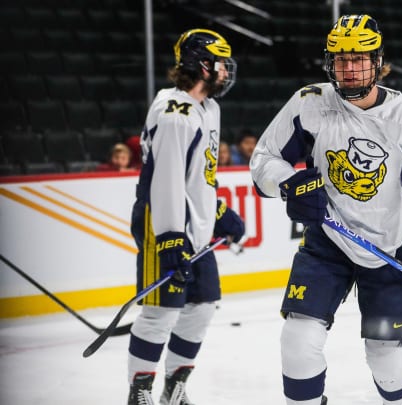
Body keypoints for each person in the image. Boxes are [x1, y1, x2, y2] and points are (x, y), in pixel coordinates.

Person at [250, 14, 402, 405]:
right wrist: (289, 184)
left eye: (358, 58)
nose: (348, 68)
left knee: (385, 357)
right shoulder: (309, 104)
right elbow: (264, 159)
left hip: (389, 250)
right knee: (298, 339)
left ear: (378, 62)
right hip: (327, 243)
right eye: (340, 59)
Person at [127, 29, 246, 405]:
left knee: (202, 305)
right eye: (221, 64)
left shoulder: (209, 108)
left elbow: (198, 176)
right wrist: (169, 237)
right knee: (161, 312)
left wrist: (219, 212)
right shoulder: (173, 112)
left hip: (193, 226)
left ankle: (173, 391)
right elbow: (167, 181)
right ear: (201, 65)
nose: (227, 72)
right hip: (160, 223)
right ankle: (139, 392)